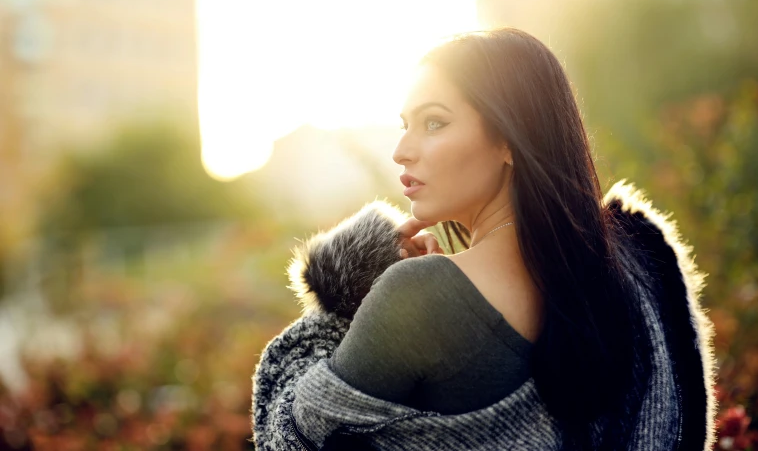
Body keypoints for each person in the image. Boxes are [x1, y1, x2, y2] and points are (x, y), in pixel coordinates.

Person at [250, 27, 718, 450]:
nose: (401, 151)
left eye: (434, 122)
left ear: (509, 139)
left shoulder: (418, 294)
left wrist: (347, 281)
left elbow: (291, 434)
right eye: (404, 124)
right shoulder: (631, 269)